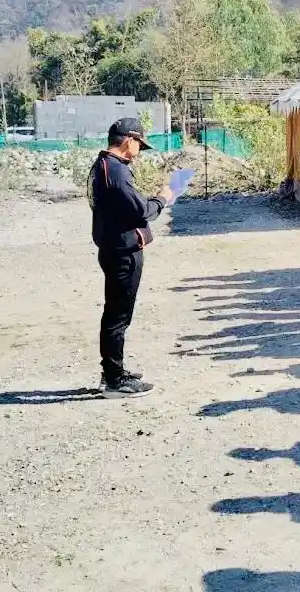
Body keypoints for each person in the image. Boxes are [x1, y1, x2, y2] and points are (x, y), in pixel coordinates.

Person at [88, 118, 174, 398]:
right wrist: (161, 199)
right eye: (140, 143)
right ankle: (114, 380)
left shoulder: (106, 167)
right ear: (129, 140)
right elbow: (140, 211)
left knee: (116, 314)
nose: (140, 150)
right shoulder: (115, 171)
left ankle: (112, 372)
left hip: (116, 247)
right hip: (122, 251)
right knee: (118, 315)